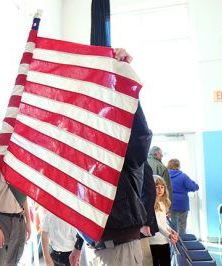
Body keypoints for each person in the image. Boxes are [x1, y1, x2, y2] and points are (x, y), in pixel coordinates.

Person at [69, 47, 152, 266]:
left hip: (119, 250)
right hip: (94, 248)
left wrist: (123, 79)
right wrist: (78, 245)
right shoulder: (87, 160)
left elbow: (140, 135)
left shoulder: (125, 156)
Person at [0, 176, 31, 265]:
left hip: (19, 219)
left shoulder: (20, 165)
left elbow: (23, 194)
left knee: (13, 262)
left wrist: (28, 220)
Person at [149, 176, 178, 266]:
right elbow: (156, 224)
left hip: (164, 240)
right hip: (154, 242)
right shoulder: (150, 204)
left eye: (162, 187)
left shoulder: (163, 203)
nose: (160, 190)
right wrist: (168, 235)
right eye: (156, 187)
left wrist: (170, 230)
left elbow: (163, 222)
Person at [167, 158, 199, 234]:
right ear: (178, 166)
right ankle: (182, 243)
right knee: (182, 225)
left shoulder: (166, 176)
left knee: (172, 224)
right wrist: (193, 183)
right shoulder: (183, 176)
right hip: (182, 203)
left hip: (170, 202)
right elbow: (194, 187)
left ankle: (174, 244)